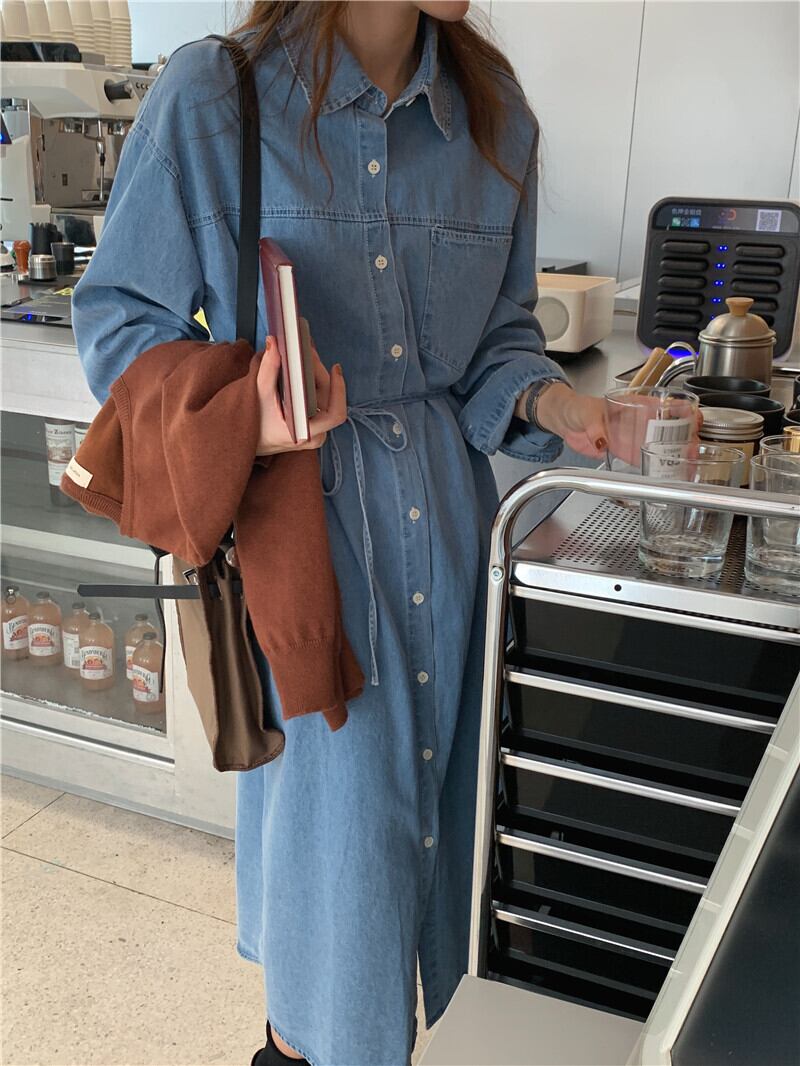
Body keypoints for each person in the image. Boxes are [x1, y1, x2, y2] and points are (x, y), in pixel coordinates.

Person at [72, 3, 614, 1064]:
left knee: (459, 882)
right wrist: (250, 414)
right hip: (308, 556)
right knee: (334, 927)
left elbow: (496, 341)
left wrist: (554, 403)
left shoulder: (493, 116)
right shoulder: (216, 96)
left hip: (457, 554)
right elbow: (119, 326)